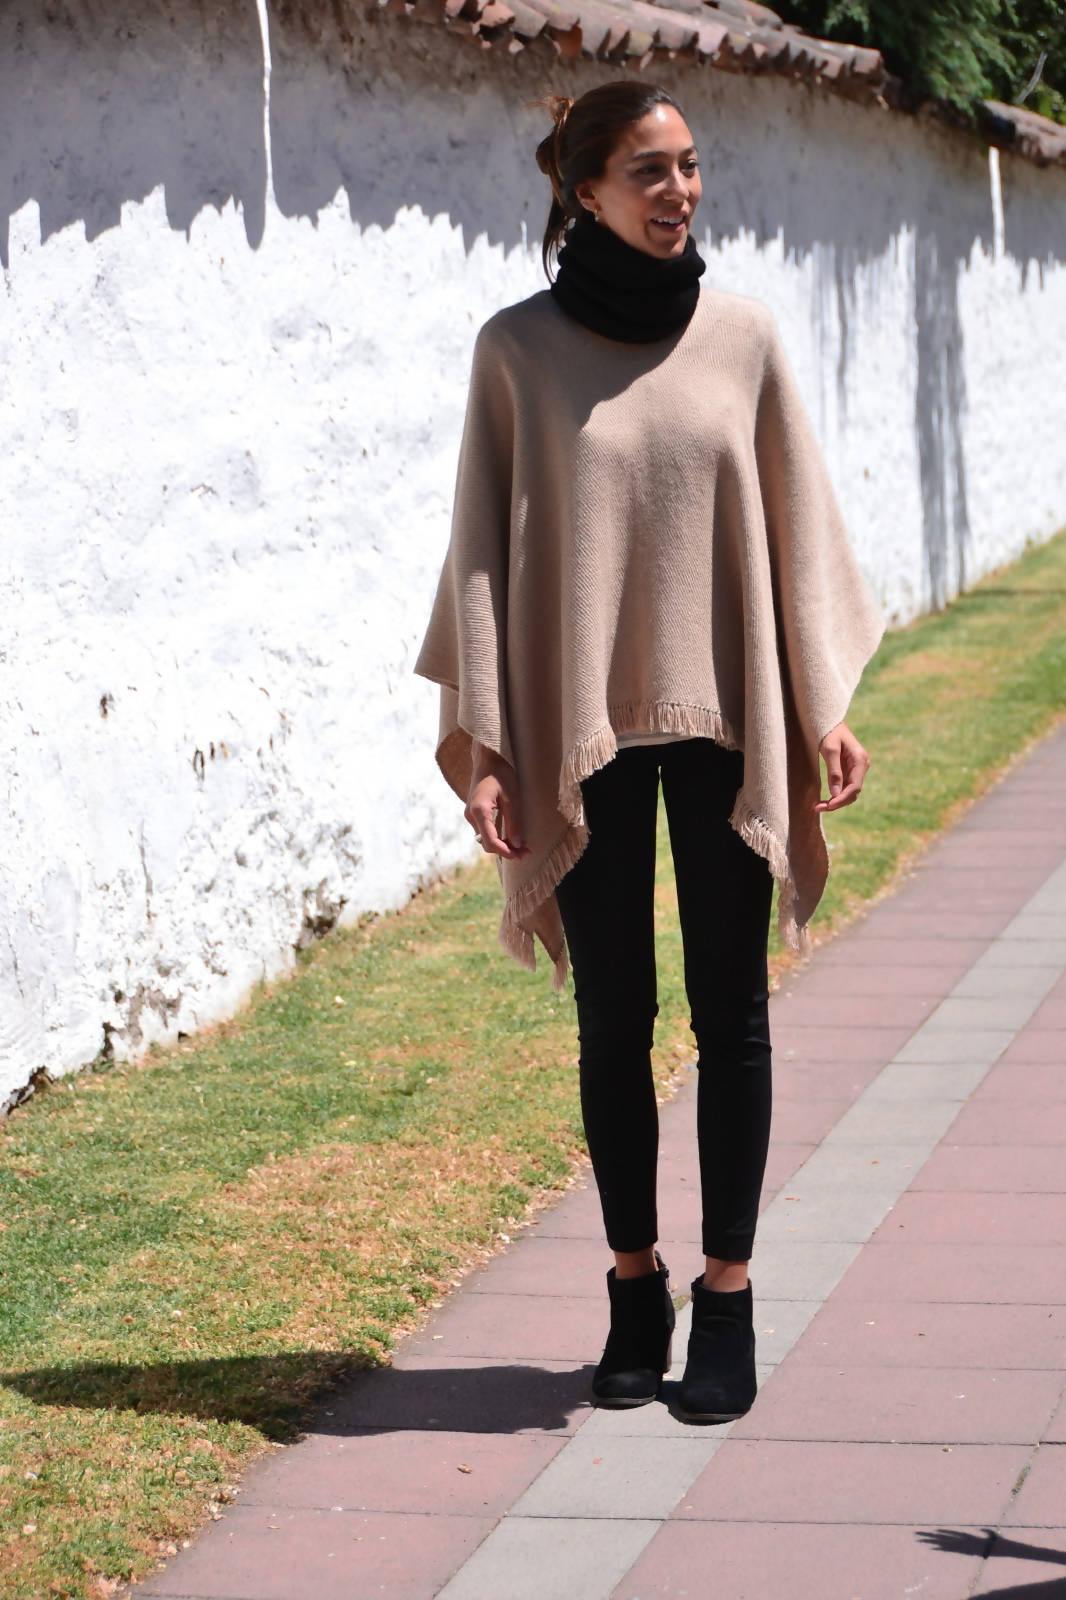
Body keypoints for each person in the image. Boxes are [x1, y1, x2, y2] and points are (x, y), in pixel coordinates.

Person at [414, 81, 884, 1421]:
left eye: (690, 166)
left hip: (729, 714)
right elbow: (484, 553)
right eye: (649, 171)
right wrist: (492, 745)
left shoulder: (741, 336)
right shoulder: (516, 351)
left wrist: (816, 705)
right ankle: (634, 1287)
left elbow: (790, 527)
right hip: (586, 730)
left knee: (732, 1013)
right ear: (584, 191)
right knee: (612, 1017)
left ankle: (725, 1296)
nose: (680, 192)